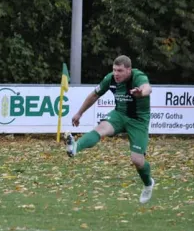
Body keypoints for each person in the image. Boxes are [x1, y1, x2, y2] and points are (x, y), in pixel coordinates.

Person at [66, 55, 155, 204]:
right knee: (101, 128)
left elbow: (148, 88)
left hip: (138, 121)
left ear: (128, 70)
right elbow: (94, 95)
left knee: (137, 161)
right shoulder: (110, 79)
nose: (116, 74)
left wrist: (142, 92)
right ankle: (75, 147)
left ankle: (148, 183)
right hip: (119, 114)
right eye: (114, 70)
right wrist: (79, 112)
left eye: (120, 70)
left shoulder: (137, 76)